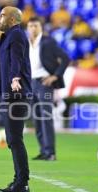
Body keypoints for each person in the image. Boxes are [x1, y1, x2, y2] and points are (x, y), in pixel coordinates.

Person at [0, 6, 31, 192]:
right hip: (9, 94)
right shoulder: (6, 37)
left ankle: (22, 183)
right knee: (12, 139)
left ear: (12, 19)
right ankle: (20, 181)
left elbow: (18, 58)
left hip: (17, 93)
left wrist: (16, 77)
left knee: (15, 139)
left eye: (2, 15)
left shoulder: (17, 35)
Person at [27, 17, 70, 161]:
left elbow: (65, 58)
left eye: (36, 25)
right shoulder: (27, 44)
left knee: (46, 117)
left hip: (44, 83)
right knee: (37, 119)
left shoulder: (48, 42)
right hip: (31, 83)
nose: (33, 28)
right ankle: (43, 151)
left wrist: (55, 76)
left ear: (41, 27)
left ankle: (51, 152)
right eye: (31, 26)